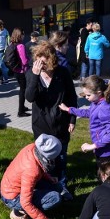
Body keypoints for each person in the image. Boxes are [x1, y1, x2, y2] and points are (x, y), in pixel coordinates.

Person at [26, 41, 78, 200]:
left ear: (52, 59)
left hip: (61, 124)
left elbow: (72, 96)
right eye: (38, 59)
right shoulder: (31, 74)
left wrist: (72, 118)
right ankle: (48, 188)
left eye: (44, 59)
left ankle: (62, 186)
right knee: (44, 161)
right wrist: (35, 76)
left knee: (61, 158)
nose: (41, 63)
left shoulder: (62, 73)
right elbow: (30, 97)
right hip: (41, 126)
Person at [0, 134, 63, 219]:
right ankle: (18, 214)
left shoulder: (32, 148)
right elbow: (25, 202)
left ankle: (31, 201)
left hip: (11, 186)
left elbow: (40, 166)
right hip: (12, 197)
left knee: (57, 186)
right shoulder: (32, 171)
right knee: (55, 198)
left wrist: (49, 178)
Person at [59, 75, 110, 166]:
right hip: (102, 147)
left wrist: (93, 146)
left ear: (99, 92)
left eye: (88, 95)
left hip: (108, 151)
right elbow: (89, 112)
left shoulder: (104, 108)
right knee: (102, 172)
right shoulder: (96, 102)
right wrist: (69, 109)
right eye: (85, 95)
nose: (86, 98)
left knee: (108, 175)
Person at [10, 28, 31, 117]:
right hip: (22, 71)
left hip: (16, 70)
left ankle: (22, 107)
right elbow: (25, 61)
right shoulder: (21, 46)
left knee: (22, 90)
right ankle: (20, 111)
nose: (24, 36)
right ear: (20, 35)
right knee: (23, 91)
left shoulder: (12, 44)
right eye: (23, 34)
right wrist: (30, 59)